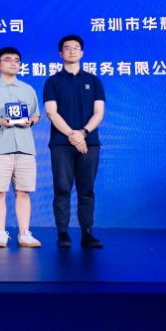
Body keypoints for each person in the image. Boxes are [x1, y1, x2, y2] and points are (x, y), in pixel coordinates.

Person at [43, 34, 106, 249]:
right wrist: (73, 134)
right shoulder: (52, 81)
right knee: (62, 188)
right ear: (60, 53)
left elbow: (99, 113)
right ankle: (63, 234)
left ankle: (87, 233)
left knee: (86, 189)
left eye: (76, 47)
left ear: (82, 52)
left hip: (90, 142)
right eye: (67, 48)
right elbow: (52, 113)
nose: (72, 51)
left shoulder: (94, 81)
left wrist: (84, 132)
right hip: (61, 143)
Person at [0, 47, 42, 248]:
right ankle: (0, 233)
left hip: (25, 147)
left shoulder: (28, 89)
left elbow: (36, 114)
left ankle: (24, 234)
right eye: (8, 59)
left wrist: (31, 122)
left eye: (17, 60)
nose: (13, 63)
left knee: (23, 192)